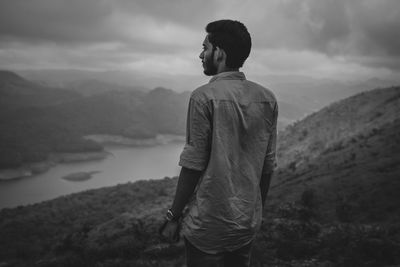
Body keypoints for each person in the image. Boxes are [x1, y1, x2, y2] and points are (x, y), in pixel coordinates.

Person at [160, 19, 278, 267]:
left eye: (205, 48)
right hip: (246, 224)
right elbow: (267, 167)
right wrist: (256, 212)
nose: (200, 54)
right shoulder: (267, 99)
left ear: (219, 53)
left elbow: (193, 164)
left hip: (209, 226)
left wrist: (173, 216)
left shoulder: (203, 97)